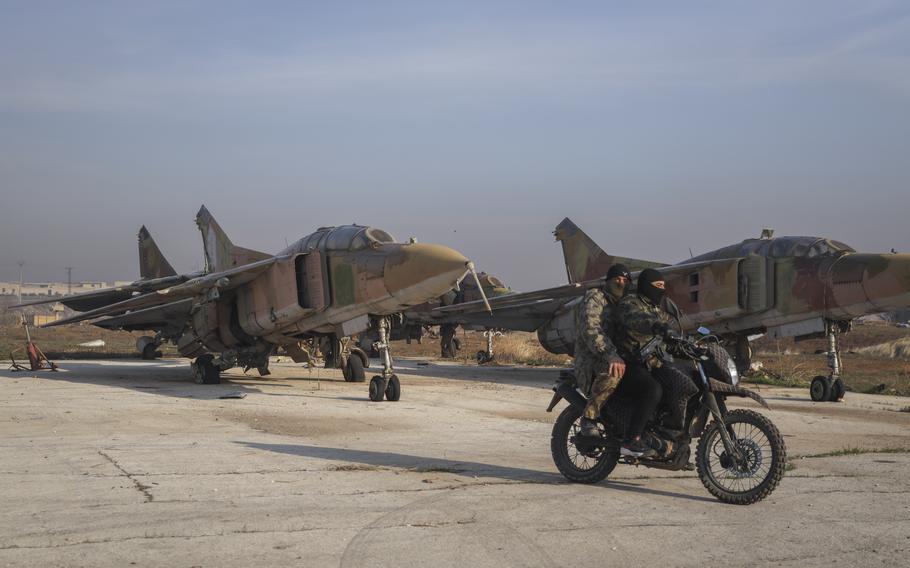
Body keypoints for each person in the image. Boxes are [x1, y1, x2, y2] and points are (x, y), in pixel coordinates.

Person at [611, 268, 696, 458]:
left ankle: (669, 437)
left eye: (663, 286)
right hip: (627, 362)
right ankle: (631, 440)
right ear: (645, 286)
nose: (661, 290)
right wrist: (657, 326)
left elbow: (671, 330)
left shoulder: (657, 309)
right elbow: (638, 319)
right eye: (657, 286)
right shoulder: (630, 304)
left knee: (680, 381)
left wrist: (690, 343)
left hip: (651, 363)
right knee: (653, 389)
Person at [574, 264, 632, 437]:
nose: (621, 283)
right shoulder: (595, 298)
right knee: (614, 372)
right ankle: (589, 417)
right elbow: (591, 329)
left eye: (625, 280)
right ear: (608, 281)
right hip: (591, 361)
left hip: (616, 356)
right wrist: (610, 354)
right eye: (617, 280)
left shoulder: (626, 303)